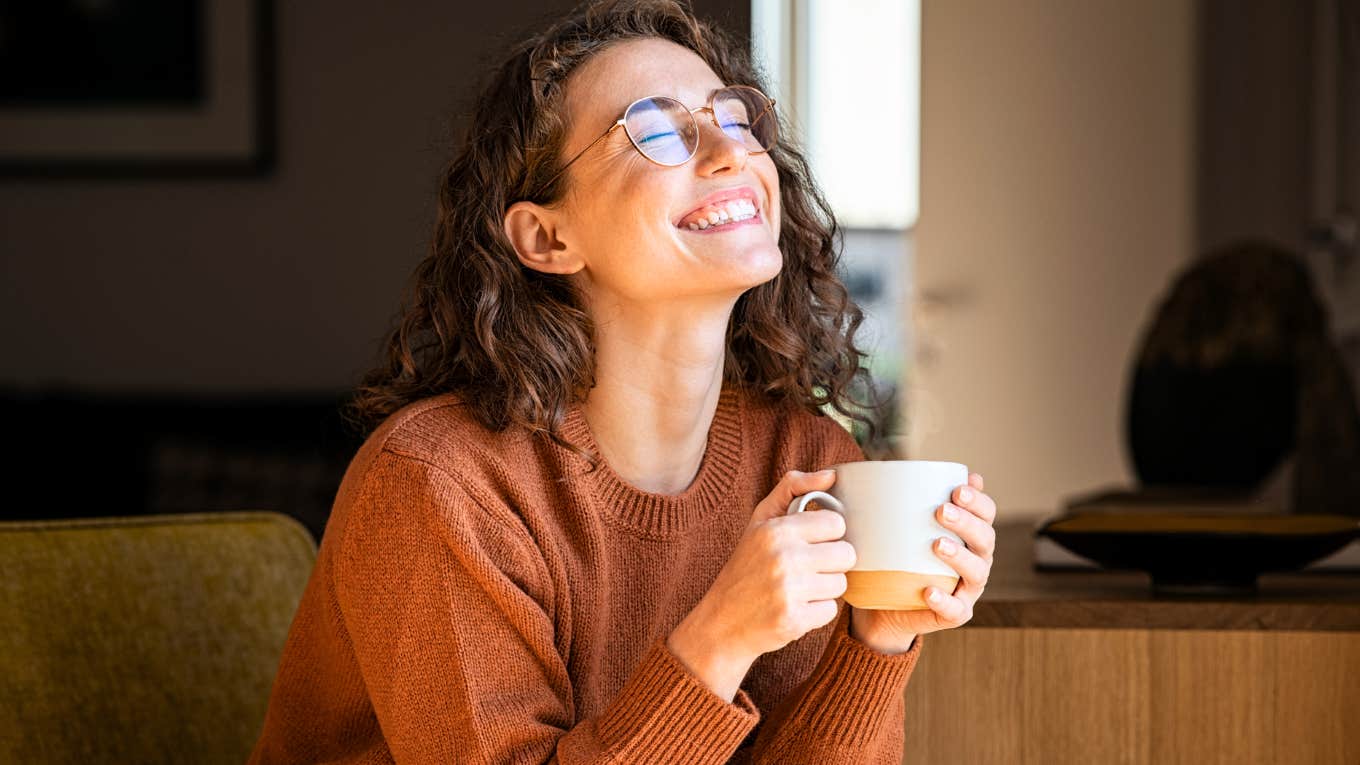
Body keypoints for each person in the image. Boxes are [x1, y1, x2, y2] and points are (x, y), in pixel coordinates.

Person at [248, 1, 997, 762]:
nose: (729, 152)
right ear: (548, 237)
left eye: (734, 119)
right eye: (658, 128)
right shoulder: (441, 485)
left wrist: (879, 637)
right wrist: (718, 638)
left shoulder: (806, 458)